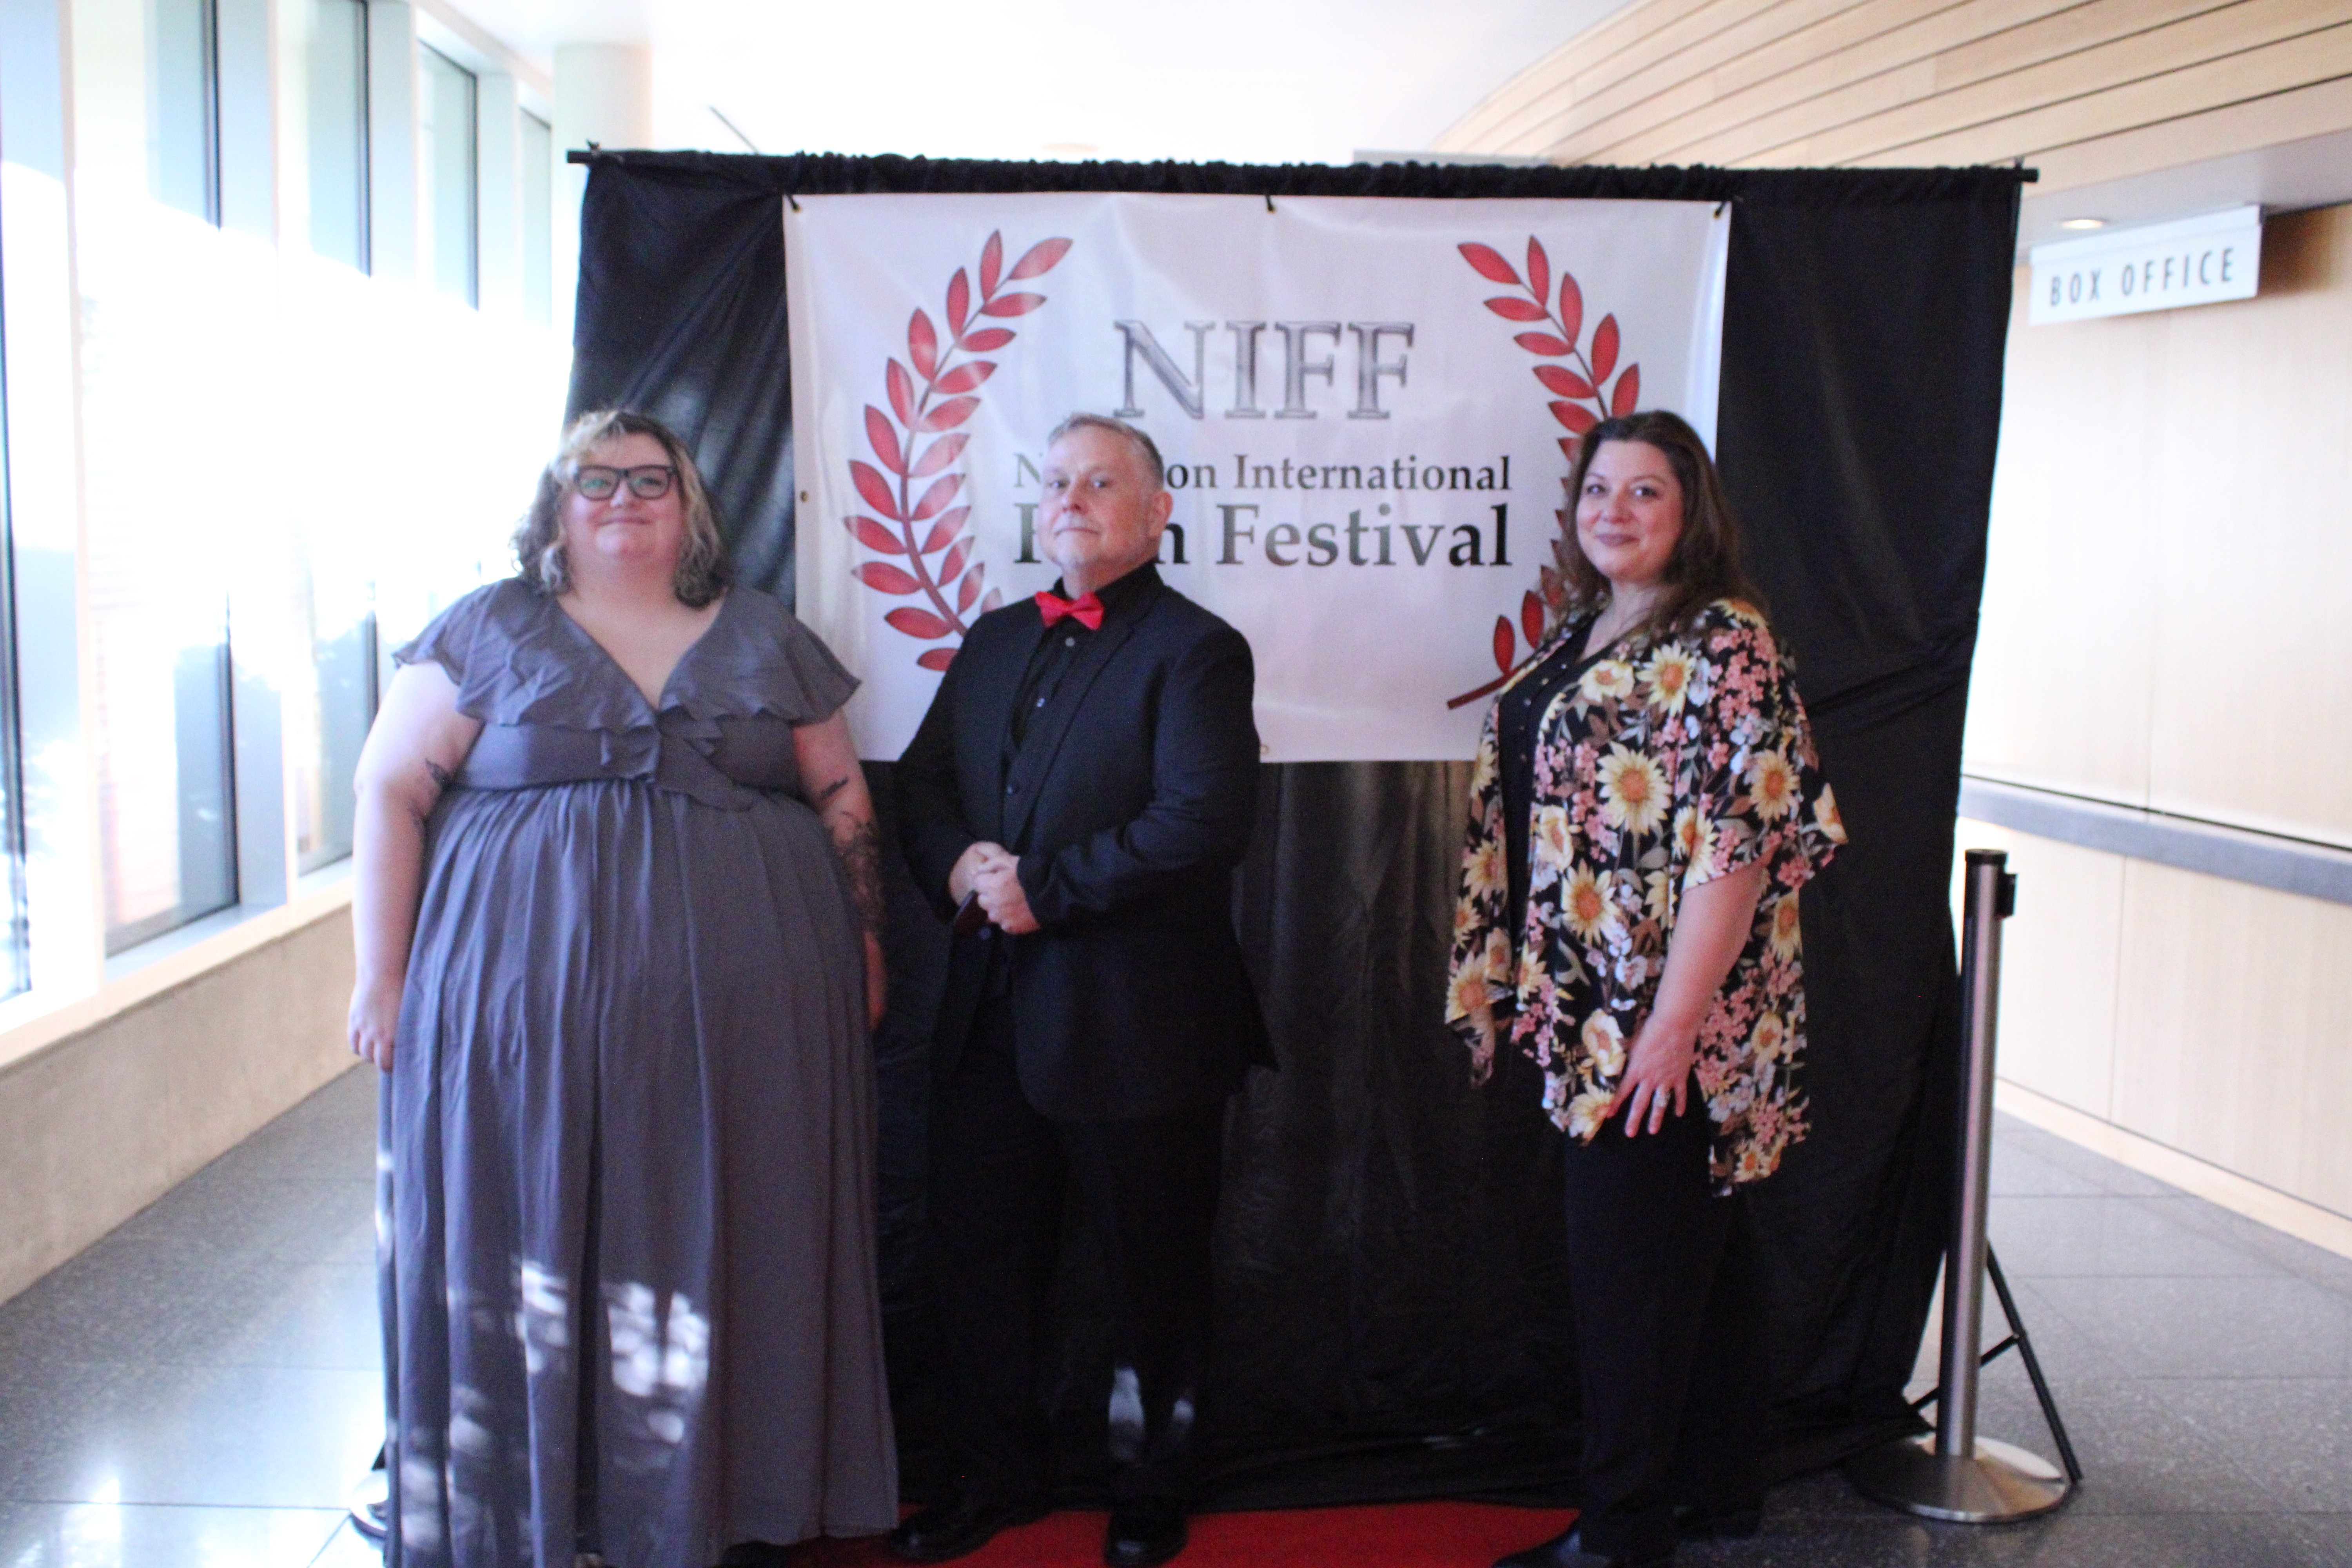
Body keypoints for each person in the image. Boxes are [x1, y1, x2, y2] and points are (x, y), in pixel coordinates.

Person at [350, 410, 898, 1568]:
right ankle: (534, 1503)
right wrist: (381, 979)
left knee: (734, 1235)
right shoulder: (486, 628)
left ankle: (731, 1494)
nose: (623, 498)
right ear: (556, 507)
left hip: (755, 1022)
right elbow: (391, 792)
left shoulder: (763, 633)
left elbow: (844, 797)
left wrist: (867, 948)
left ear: (690, 506)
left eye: (652, 480)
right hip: (513, 1024)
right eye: (594, 480)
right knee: (529, 1234)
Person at [1447, 411, 1845, 1568]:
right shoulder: (1586, 628)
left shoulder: (1725, 642)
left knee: (1627, 1278)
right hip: (1587, 1002)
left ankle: (1621, 1535)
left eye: (1646, 494)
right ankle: (1719, 1484)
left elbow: (1740, 843)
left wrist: (1671, 1032)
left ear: (1693, 513)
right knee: (1696, 1253)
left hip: (1665, 1018)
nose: (1613, 512)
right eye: (1598, 492)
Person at [893, 413, 1266, 1568]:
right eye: (1056, 481)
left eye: (1102, 482)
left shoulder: (1200, 649)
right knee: (981, 1258)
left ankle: (1154, 1488)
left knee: (1150, 1270)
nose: (1072, 499)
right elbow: (922, 784)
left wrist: (1044, 889)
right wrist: (961, 865)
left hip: (1136, 1025)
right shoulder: (995, 635)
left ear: (1158, 513)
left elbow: (1203, 821)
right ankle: (998, 1474)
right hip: (991, 1016)